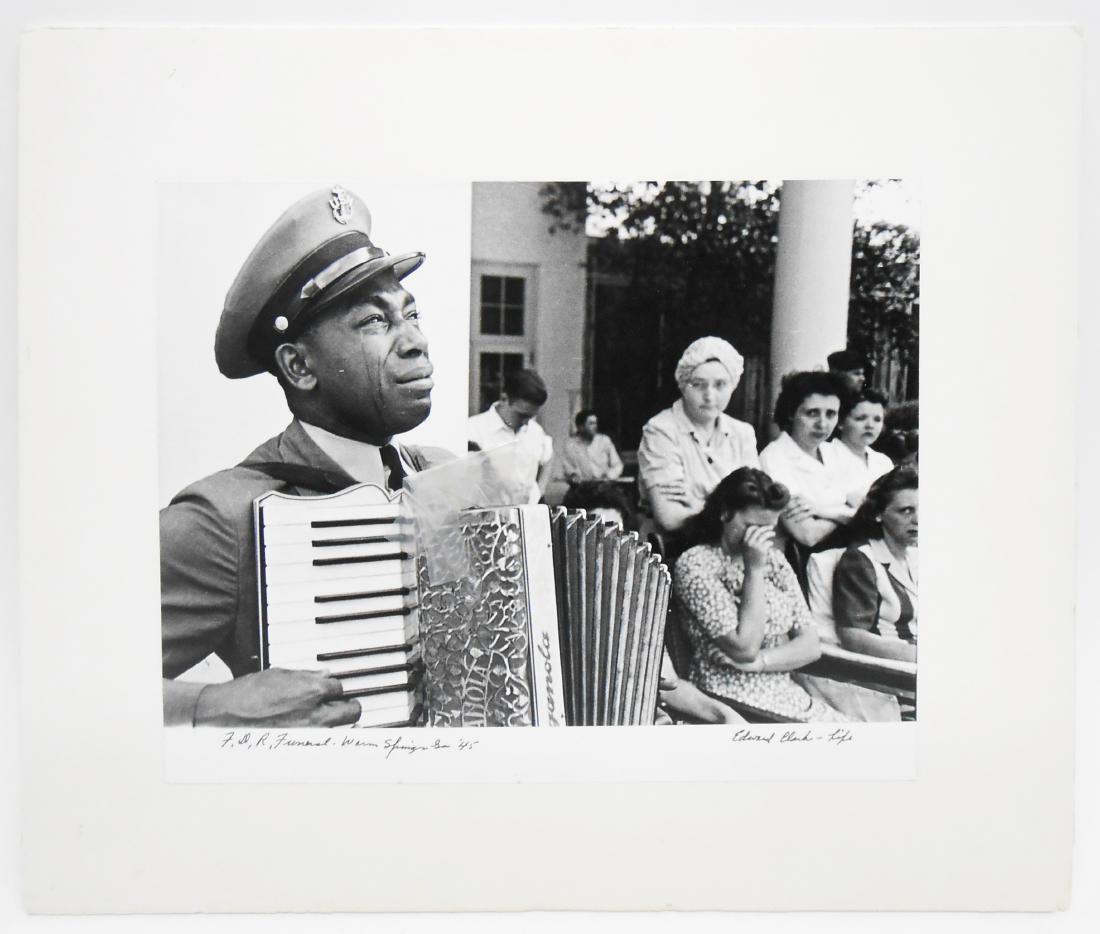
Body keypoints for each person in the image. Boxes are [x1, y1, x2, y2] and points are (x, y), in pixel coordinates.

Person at [161, 185, 454, 727]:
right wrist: (210, 706)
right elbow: (66, 676)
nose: (416, 340)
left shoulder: (443, 477)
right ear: (298, 366)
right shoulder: (224, 518)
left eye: (411, 314)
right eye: (375, 321)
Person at [559, 480, 744, 726]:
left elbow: (670, 685)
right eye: (594, 534)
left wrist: (723, 714)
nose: (605, 546)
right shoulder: (550, 594)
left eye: (615, 535)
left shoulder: (634, 600)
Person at [672, 468, 848, 723]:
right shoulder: (696, 564)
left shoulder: (773, 559)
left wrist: (762, 663)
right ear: (725, 513)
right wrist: (753, 570)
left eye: (769, 530)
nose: (759, 539)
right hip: (731, 701)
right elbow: (744, 647)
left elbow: (810, 645)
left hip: (785, 694)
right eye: (752, 527)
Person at [637, 337, 759, 542]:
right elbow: (669, 518)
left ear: (733, 385)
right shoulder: (660, 430)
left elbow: (756, 508)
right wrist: (733, 511)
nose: (709, 395)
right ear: (683, 385)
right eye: (698, 384)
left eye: (720, 385)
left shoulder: (742, 433)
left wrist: (696, 504)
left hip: (733, 547)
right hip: (673, 548)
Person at [759, 370, 854, 549]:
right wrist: (848, 515)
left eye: (831, 414)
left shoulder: (835, 452)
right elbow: (807, 534)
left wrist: (820, 511)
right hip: (801, 561)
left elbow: (867, 506)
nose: (822, 424)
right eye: (812, 413)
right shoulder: (774, 458)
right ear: (790, 413)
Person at [833, 466, 918, 663]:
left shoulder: (917, 556)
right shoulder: (861, 561)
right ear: (878, 514)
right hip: (892, 670)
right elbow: (852, 637)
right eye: (906, 511)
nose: (918, 519)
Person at [467, 368, 553, 504]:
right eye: (522, 415)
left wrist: (539, 490)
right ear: (504, 399)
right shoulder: (474, 430)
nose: (526, 422)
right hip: (489, 519)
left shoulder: (536, 431)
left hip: (526, 516)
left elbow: (547, 458)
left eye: (531, 416)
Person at [826, 386, 894, 508]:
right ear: (841, 422)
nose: (870, 425)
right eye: (861, 418)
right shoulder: (825, 454)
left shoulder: (884, 462)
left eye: (877, 420)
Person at [557, 409, 624, 485]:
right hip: (582, 488)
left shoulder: (604, 441)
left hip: (605, 487)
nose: (595, 426)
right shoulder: (570, 445)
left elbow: (618, 465)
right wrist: (573, 475)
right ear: (580, 427)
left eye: (595, 423)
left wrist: (608, 476)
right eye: (591, 423)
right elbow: (567, 468)